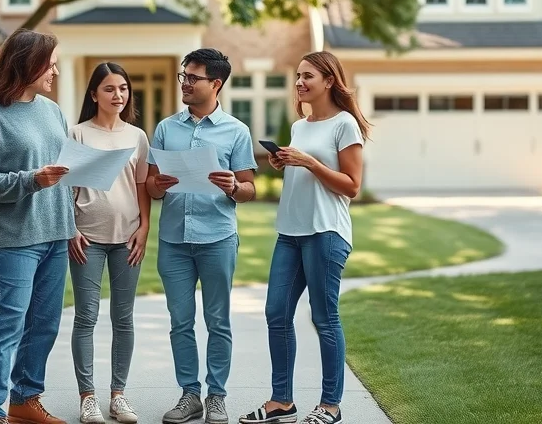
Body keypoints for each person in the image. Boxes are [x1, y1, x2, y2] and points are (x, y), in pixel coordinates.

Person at [239, 51, 369, 424]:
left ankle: (331, 405)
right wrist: (284, 162)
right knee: (276, 313)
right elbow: (304, 177)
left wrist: (311, 162)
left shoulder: (345, 124)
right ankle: (282, 402)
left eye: (307, 76)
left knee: (324, 317)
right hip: (290, 231)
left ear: (329, 80)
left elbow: (352, 186)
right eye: (297, 76)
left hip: (325, 231)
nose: (299, 82)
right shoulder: (300, 126)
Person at [0, 28, 75, 424]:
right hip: (13, 240)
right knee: (8, 328)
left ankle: (25, 401)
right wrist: (31, 180)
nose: (55, 72)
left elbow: (62, 172)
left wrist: (72, 223)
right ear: (28, 63)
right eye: (51, 64)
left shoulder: (52, 111)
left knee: (43, 327)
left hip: (56, 236)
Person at [145, 48, 258, 424]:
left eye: (193, 78)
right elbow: (150, 185)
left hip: (217, 238)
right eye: (184, 77)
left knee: (218, 321)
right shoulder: (165, 129)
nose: (185, 84)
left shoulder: (237, 131)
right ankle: (190, 395)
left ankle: (217, 397)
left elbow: (249, 189)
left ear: (216, 83)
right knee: (180, 321)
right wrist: (157, 184)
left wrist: (232, 187)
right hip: (174, 241)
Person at [67, 62, 152, 424]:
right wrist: (70, 227)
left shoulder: (137, 137)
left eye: (123, 89)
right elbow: (64, 188)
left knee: (124, 318)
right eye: (109, 89)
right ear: (93, 95)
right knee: (86, 317)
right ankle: (88, 398)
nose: (118, 95)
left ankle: (118, 396)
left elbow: (142, 186)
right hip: (87, 238)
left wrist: (145, 226)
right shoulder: (78, 134)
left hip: (127, 239)